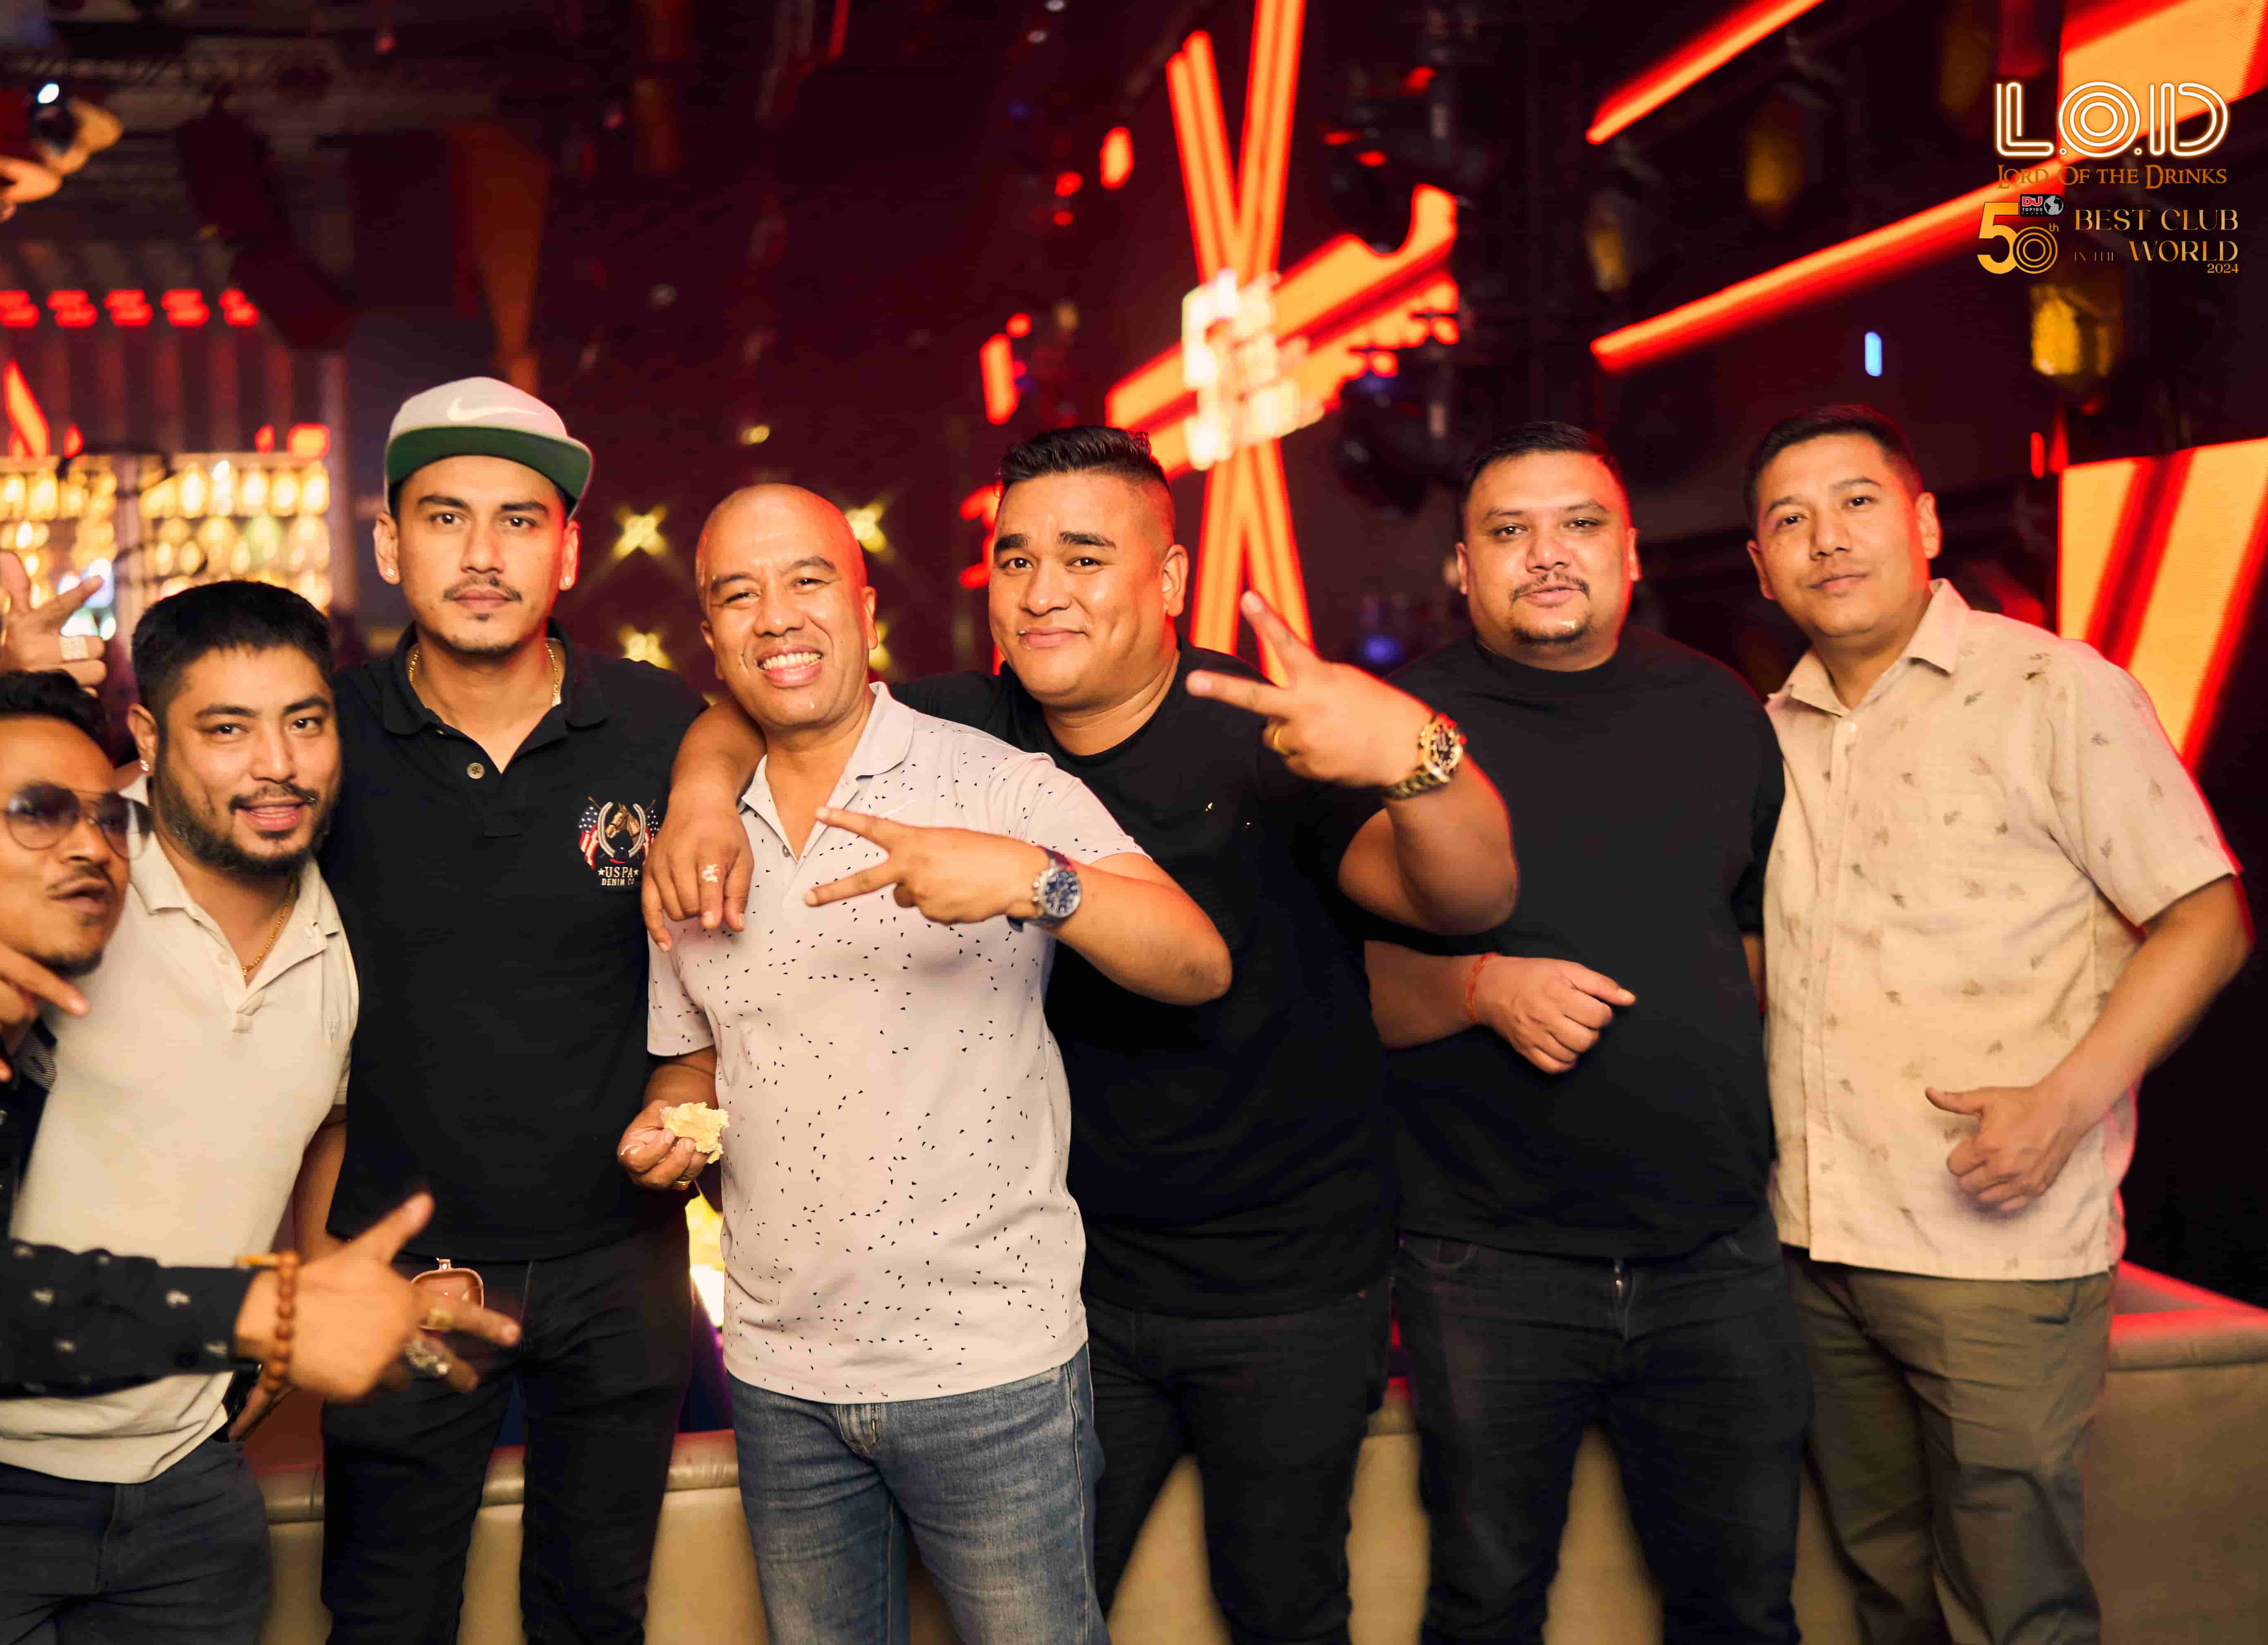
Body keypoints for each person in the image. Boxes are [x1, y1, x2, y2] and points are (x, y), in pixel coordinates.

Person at [648, 426, 1517, 1645]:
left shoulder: (1258, 731)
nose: (1043, 590)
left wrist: (1416, 758)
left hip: (1279, 1278)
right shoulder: (975, 720)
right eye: (1016, 558)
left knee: (1281, 1604)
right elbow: (780, 690)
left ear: (1168, 577)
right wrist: (700, 794)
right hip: (1077, 1281)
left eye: (1086, 557)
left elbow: (1467, 901)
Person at [622, 483, 1230, 1644]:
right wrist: (672, 1119)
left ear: (864, 608)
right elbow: (690, 1060)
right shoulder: (696, 834)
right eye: (740, 595)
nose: (777, 615)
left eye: (807, 581)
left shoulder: (993, 781)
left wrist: (1033, 880)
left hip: (993, 1370)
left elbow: (1198, 962)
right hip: (781, 1375)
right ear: (711, 636)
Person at [0, 672, 516, 1642]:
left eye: (109, 819)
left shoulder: (39, 1023)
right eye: (38, 814)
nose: (91, 846)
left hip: (189, 1485)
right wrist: (262, 1311)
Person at [1743, 404, 2249, 1645]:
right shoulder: (1763, 734)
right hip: (1812, 1241)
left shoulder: (2054, 689)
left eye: (1858, 502)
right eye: (1791, 519)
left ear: (1924, 524)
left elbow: (2208, 918)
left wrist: (2066, 1105)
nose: (1827, 537)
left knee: (2014, 1605)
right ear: (1760, 564)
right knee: (1882, 1583)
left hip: (1997, 1250)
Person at [1363, 422, 1807, 1643]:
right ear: (1463, 566)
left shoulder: (1719, 710)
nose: (1548, 554)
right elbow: (1323, 992)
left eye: (1580, 525)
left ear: (1632, 549)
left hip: (1716, 1252)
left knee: (1744, 1610)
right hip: (1488, 1262)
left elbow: (1757, 942)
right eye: (1510, 532)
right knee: (1488, 1603)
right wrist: (1479, 987)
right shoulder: (1399, 731)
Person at [311, 379, 709, 1645]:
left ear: (567, 549)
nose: (483, 555)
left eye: (520, 521)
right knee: (386, 1618)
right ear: (390, 545)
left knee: (597, 1614)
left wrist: (691, 1090)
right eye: (446, 519)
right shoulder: (324, 736)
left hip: (622, 1265)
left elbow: (731, 962)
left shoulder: (662, 726)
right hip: (403, 1267)